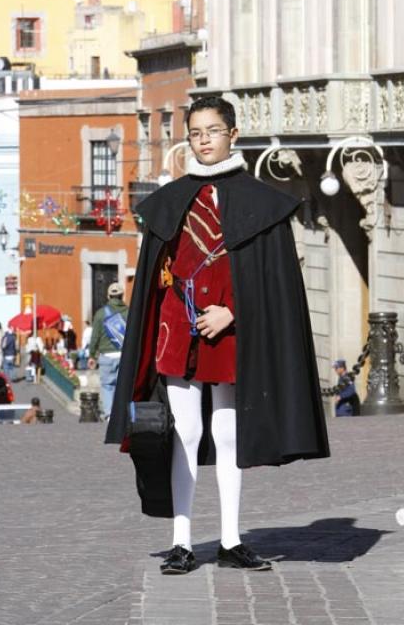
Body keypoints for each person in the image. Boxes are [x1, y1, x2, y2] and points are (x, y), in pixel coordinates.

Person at [106, 95, 329, 575]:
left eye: (212, 130)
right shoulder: (169, 201)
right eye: (195, 133)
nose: (204, 140)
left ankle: (230, 540)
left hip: (232, 334)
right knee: (183, 431)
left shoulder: (262, 204)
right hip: (176, 330)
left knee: (228, 433)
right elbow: (156, 274)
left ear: (233, 134)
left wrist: (234, 313)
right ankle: (182, 541)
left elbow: (273, 285)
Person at [88, 283, 129, 421]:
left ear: (108, 296)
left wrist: (92, 354)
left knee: (107, 386)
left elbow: (95, 337)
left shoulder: (100, 314)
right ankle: (123, 413)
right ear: (122, 295)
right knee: (123, 385)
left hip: (106, 355)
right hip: (125, 355)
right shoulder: (129, 312)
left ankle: (110, 415)